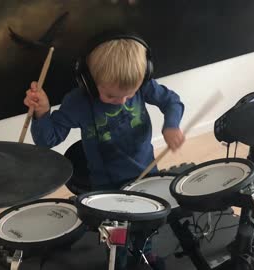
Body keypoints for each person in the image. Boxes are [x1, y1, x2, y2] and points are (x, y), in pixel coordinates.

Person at [23, 31, 185, 269]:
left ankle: (144, 253)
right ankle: (118, 262)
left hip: (146, 173)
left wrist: (171, 125)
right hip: (106, 185)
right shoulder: (79, 102)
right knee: (116, 235)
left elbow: (172, 101)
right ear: (88, 80)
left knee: (147, 223)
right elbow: (48, 139)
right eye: (110, 95)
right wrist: (43, 112)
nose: (122, 100)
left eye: (129, 94)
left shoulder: (143, 86)